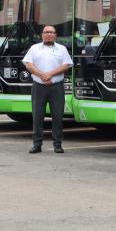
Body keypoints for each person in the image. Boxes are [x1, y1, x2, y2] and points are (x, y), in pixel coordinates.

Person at [22, 25, 73, 154]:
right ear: (42, 35)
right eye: (46, 32)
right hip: (39, 86)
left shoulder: (62, 49)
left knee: (57, 116)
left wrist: (50, 74)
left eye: (51, 32)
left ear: (55, 35)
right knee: (37, 116)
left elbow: (66, 65)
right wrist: (42, 75)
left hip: (57, 87)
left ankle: (57, 144)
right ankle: (37, 144)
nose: (49, 34)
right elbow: (28, 64)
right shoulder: (34, 48)